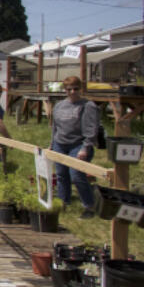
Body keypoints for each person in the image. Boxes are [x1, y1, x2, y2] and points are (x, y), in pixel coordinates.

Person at [51, 76, 99, 216]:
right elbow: (55, 127)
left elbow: (92, 129)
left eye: (75, 89)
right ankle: (63, 202)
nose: (72, 92)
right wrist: (51, 144)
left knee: (76, 175)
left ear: (80, 89)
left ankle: (89, 206)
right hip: (60, 143)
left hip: (78, 144)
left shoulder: (88, 106)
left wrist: (86, 147)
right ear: (64, 90)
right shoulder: (59, 105)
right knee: (61, 175)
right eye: (68, 89)